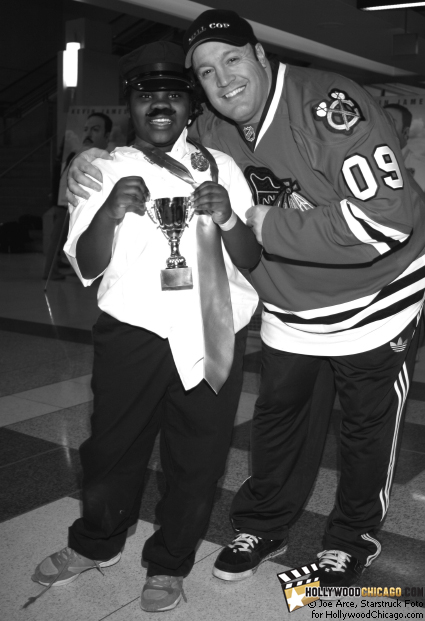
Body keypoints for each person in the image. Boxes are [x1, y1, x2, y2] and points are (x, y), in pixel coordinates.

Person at [66, 10, 425, 589]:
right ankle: (263, 522)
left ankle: (350, 537)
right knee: (279, 424)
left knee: (365, 429)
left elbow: (388, 224)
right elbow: (162, 143)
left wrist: (260, 220)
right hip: (288, 307)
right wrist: (92, 159)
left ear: (260, 54)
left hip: (375, 297)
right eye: (206, 72)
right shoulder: (215, 131)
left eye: (232, 60)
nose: (222, 79)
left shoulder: (330, 105)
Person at [31, 40, 259, 613]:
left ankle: (170, 562)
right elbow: (86, 262)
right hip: (131, 334)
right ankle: (97, 542)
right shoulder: (105, 170)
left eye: (173, 96)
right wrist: (110, 211)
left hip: (212, 328)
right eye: (147, 97)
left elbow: (251, 258)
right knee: (110, 448)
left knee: (198, 455)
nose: (160, 104)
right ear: (131, 109)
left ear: (190, 108)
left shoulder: (223, 168)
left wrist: (228, 216)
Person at [42, 113, 112, 280]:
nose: (88, 134)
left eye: (95, 130)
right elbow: (62, 179)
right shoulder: (75, 154)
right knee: (59, 237)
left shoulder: (109, 159)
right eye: (86, 129)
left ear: (107, 135)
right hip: (66, 203)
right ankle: (50, 271)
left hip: (90, 205)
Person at [384, 103, 425, 191]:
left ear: (405, 133)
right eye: (379, 120)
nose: (381, 126)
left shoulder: (421, 167)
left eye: (390, 122)